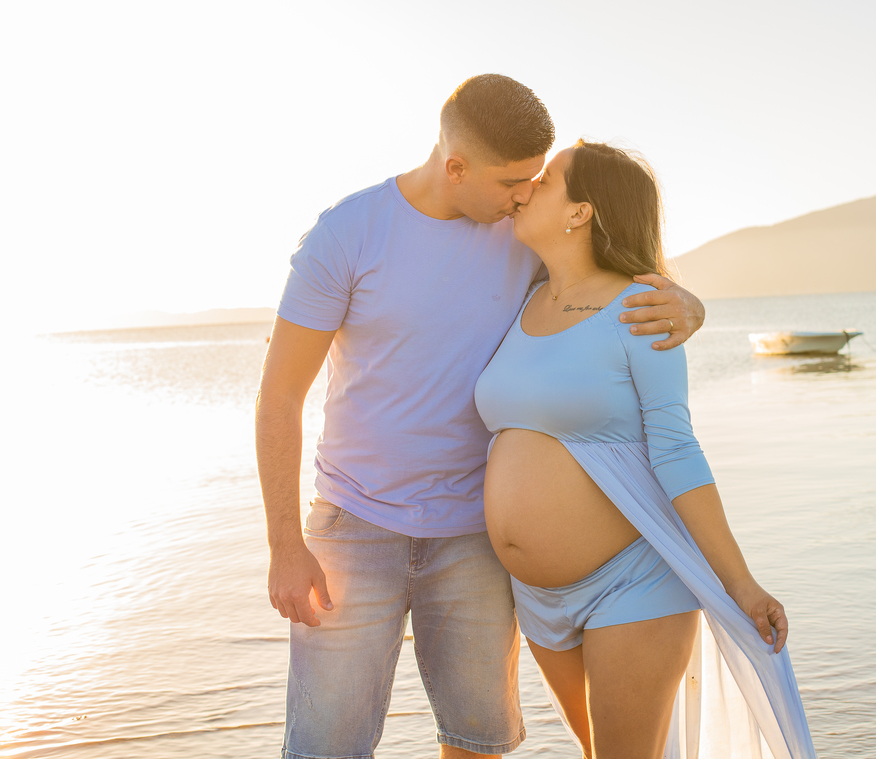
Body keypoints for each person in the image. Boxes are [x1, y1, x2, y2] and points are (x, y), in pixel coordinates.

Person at [255, 75, 706, 759]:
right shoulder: (347, 233)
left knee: (477, 742)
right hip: (354, 527)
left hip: (474, 541)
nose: (525, 194)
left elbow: (607, 276)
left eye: (534, 181)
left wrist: (690, 306)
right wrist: (286, 545)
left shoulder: (520, 234)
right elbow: (280, 396)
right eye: (512, 181)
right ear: (455, 165)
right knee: (324, 746)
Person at [474, 142, 817, 758]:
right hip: (536, 596)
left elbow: (676, 449)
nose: (525, 188)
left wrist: (740, 584)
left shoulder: (641, 310)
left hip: (632, 581)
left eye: (545, 180)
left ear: (580, 212)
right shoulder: (520, 297)